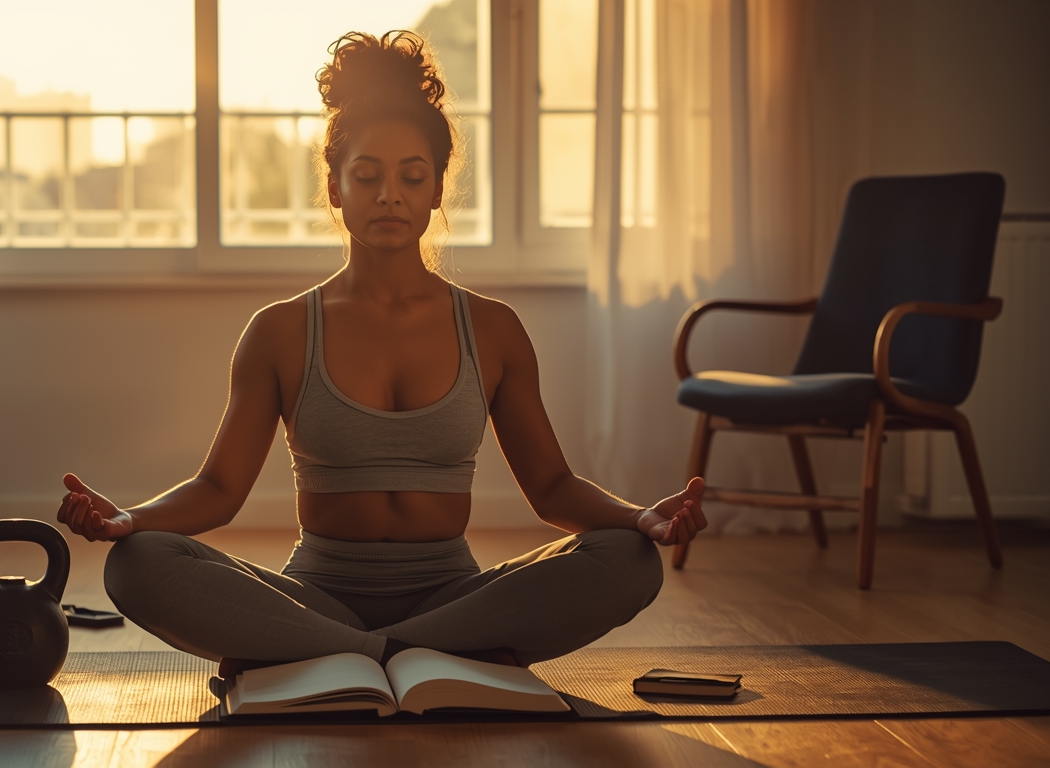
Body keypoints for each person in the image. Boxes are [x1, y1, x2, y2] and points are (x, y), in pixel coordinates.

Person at [57, 30, 706, 673]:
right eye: (367, 176)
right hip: (314, 597)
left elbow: (552, 488)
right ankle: (418, 656)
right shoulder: (280, 331)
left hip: (455, 598)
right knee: (139, 563)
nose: (389, 194)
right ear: (336, 188)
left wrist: (640, 517)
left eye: (412, 177)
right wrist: (128, 520)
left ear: (436, 190)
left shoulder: (493, 329)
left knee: (628, 559)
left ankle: (337, 653)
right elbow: (219, 490)